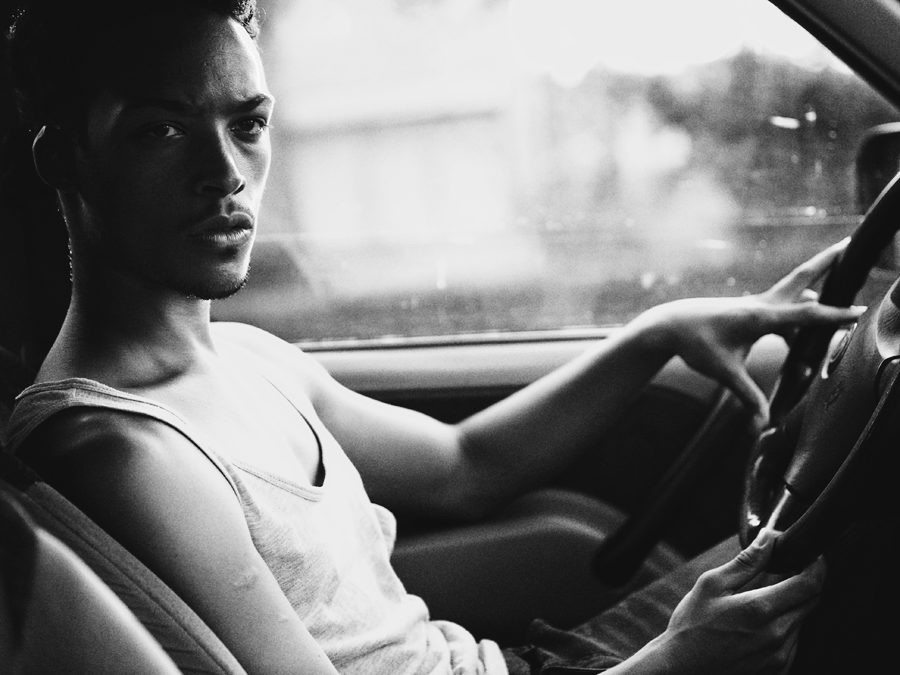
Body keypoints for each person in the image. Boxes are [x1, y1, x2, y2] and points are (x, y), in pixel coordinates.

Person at [1, 1, 864, 673]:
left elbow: (465, 466)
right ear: (63, 159)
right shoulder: (115, 448)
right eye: (160, 129)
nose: (225, 172)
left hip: (519, 660)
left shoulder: (252, 357)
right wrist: (673, 662)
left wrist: (656, 333)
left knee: (837, 542)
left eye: (248, 124)